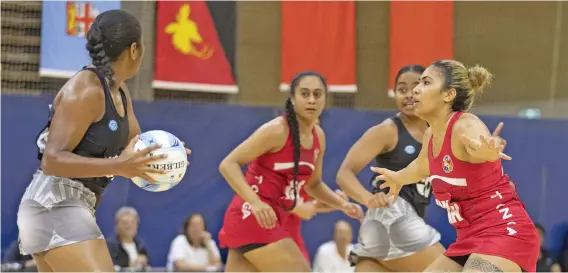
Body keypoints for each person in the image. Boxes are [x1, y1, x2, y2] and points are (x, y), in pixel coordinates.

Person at [16, 10, 190, 272]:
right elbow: (52, 160)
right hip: (55, 202)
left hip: (68, 206)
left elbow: (134, 145)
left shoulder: (119, 89)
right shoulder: (85, 90)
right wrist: (117, 166)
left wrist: (165, 156)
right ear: (134, 49)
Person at [373, 60, 539, 272]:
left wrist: (487, 150)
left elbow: (478, 146)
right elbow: (421, 167)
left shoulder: (465, 125)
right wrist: (398, 178)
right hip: (469, 238)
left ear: (448, 95)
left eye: (425, 83)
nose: (416, 89)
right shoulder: (431, 135)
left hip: (504, 231)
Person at [218, 71, 363, 272]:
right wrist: (255, 201)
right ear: (293, 99)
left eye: (317, 94)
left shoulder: (318, 137)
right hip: (251, 217)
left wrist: (342, 204)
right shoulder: (277, 130)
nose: (311, 100)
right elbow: (228, 164)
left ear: (325, 99)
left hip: (273, 219)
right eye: (304, 94)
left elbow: (314, 185)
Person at [337, 64, 446, 272]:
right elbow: (344, 173)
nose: (408, 95)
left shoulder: (438, 133)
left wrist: (483, 152)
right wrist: (367, 198)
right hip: (392, 219)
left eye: (415, 88)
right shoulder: (388, 130)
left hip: (394, 228)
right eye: (401, 89)